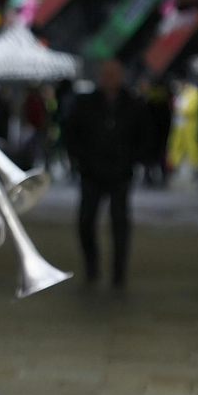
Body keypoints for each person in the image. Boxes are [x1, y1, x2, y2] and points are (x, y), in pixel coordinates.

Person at [63, 59, 146, 288]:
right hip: (91, 172)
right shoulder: (86, 102)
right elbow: (72, 131)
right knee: (86, 221)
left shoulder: (133, 103)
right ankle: (92, 266)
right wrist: (79, 160)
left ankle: (119, 272)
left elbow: (143, 133)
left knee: (120, 223)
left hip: (121, 172)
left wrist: (134, 159)